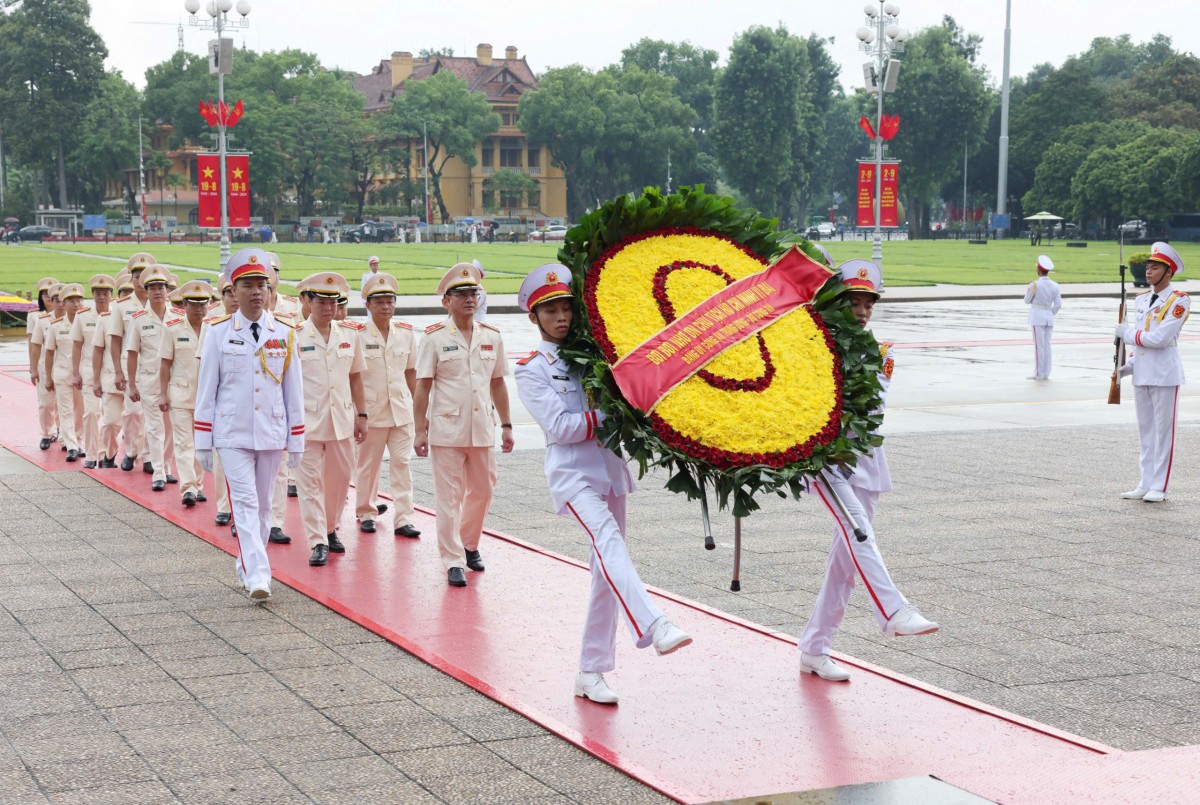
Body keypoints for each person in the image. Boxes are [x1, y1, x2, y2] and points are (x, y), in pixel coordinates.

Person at [514, 263, 692, 705]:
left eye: (566, 309)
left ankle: (591, 671)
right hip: (573, 475)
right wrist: (610, 413)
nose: (561, 317)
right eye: (550, 310)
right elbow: (560, 426)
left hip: (610, 470)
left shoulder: (595, 355)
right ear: (533, 317)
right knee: (610, 543)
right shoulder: (531, 369)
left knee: (604, 571)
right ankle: (654, 624)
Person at [798, 260, 939, 683]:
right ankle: (894, 610)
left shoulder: (881, 352)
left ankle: (815, 648)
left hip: (863, 458)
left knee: (845, 564)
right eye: (853, 303)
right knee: (860, 532)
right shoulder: (816, 346)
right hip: (826, 460)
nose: (861, 312)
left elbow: (871, 409)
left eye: (867, 305)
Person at [195, 248, 304, 601]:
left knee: (264, 506)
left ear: (270, 290)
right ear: (234, 290)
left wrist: (297, 437)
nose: (256, 291)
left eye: (262, 285)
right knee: (243, 502)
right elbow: (207, 389)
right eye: (248, 285)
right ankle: (259, 574)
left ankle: (246, 564)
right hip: (232, 433)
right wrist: (202, 439)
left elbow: (293, 390)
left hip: (271, 431)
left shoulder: (285, 333)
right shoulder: (217, 332)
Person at [413, 263, 514, 587]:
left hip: (482, 427)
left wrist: (507, 425)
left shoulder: (492, 336)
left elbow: (498, 382)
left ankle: (469, 543)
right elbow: (423, 387)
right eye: (462, 294)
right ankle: (453, 559)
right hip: (447, 430)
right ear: (447, 300)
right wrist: (420, 429)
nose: (470, 299)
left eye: (474, 293)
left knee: (483, 491)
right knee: (449, 497)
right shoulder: (433, 338)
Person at [293, 272, 368, 566]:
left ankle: (330, 527)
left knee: (339, 482)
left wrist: (362, 414)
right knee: (310, 484)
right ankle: (318, 541)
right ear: (308, 302)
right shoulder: (294, 335)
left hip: (341, 421)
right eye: (321, 302)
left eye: (332, 302)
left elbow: (356, 378)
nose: (328, 308)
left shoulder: (349, 334)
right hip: (307, 424)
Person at [1115, 242, 1189, 503]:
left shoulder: (1179, 300)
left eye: (1154, 267)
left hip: (1165, 374)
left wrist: (1129, 334)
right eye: (1147, 266)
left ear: (1168, 272)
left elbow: (1159, 338)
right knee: (1146, 432)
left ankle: (1160, 485)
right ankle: (1145, 482)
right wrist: (1128, 366)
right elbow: (1141, 344)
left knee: (1163, 433)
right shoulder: (1142, 300)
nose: (1148, 271)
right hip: (1143, 372)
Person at [354, 273, 420, 538]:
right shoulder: (358, 335)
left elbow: (412, 373)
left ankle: (404, 518)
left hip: (402, 411)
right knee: (368, 465)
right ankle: (366, 511)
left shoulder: (405, 333)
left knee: (402, 464)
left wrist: (419, 410)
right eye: (379, 301)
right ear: (368, 305)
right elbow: (354, 376)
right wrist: (358, 412)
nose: (385, 306)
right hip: (372, 411)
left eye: (390, 301)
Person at [159, 280, 214, 507]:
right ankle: (188, 488)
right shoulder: (172, 328)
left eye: (203, 304)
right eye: (194, 305)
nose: (199, 309)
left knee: (202, 443)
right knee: (183, 444)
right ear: (184, 305)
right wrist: (163, 394)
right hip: (180, 395)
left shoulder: (214, 329)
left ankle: (198, 484)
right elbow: (165, 364)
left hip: (206, 397)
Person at [124, 266, 178, 492]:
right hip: (149, 380)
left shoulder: (178, 317)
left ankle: (166, 467)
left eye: (161, 287)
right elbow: (132, 353)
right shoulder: (138, 319)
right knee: (155, 427)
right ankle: (157, 472)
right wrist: (132, 383)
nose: (157, 291)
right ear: (146, 291)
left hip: (176, 381)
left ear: (167, 290)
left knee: (171, 427)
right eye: (153, 288)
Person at [109, 253, 154, 473]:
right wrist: (118, 372)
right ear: (131, 279)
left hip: (157, 367)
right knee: (133, 412)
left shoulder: (161, 302)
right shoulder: (121, 306)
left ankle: (148, 456)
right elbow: (115, 340)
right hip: (131, 368)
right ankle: (130, 451)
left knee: (153, 416)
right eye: (136, 276)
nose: (140, 281)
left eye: (144, 276)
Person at [69, 274, 116, 468]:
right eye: (98, 293)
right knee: (91, 413)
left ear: (111, 295)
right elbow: (77, 345)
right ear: (92, 295)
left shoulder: (118, 315)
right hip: (88, 372)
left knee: (112, 419)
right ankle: (90, 454)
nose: (101, 297)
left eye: (105, 293)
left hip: (112, 373)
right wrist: (75, 372)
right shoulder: (83, 316)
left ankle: (107, 454)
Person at [43, 284, 86, 462]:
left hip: (83, 374)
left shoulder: (89, 323)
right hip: (62, 374)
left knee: (82, 411)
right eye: (71, 301)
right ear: (64, 303)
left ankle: (78, 439)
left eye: (78, 301)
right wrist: (48, 377)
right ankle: (71, 446)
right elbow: (49, 352)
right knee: (66, 411)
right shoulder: (55, 326)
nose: (75, 305)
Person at [28, 277, 59, 450]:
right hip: (42, 363)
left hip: (62, 363)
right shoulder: (34, 315)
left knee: (63, 401)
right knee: (45, 402)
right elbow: (32, 344)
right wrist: (32, 367)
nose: (47, 297)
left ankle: (62, 430)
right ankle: (47, 433)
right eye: (44, 294)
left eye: (51, 294)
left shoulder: (68, 315)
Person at [1024, 255, 1061, 380]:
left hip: (1037, 316)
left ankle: (1039, 373)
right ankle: (1046, 372)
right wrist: (1050, 313)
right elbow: (1058, 304)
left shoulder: (1034, 285)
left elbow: (1027, 300)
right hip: (1048, 316)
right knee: (1047, 346)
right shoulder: (1055, 285)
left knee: (1038, 346)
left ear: (1039, 270)